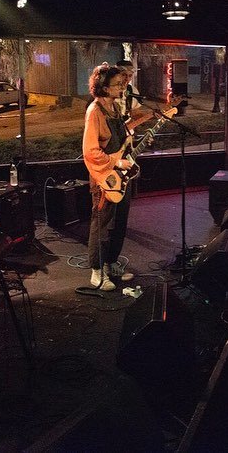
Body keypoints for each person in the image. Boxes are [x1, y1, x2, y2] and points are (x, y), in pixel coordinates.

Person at [83, 64, 152, 290]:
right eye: (118, 84)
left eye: (123, 83)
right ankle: (96, 271)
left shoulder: (114, 108)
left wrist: (135, 142)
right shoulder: (94, 111)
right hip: (104, 177)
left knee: (120, 222)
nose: (122, 87)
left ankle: (111, 264)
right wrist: (116, 162)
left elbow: (120, 143)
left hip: (121, 176)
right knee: (101, 224)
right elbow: (90, 151)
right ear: (104, 87)